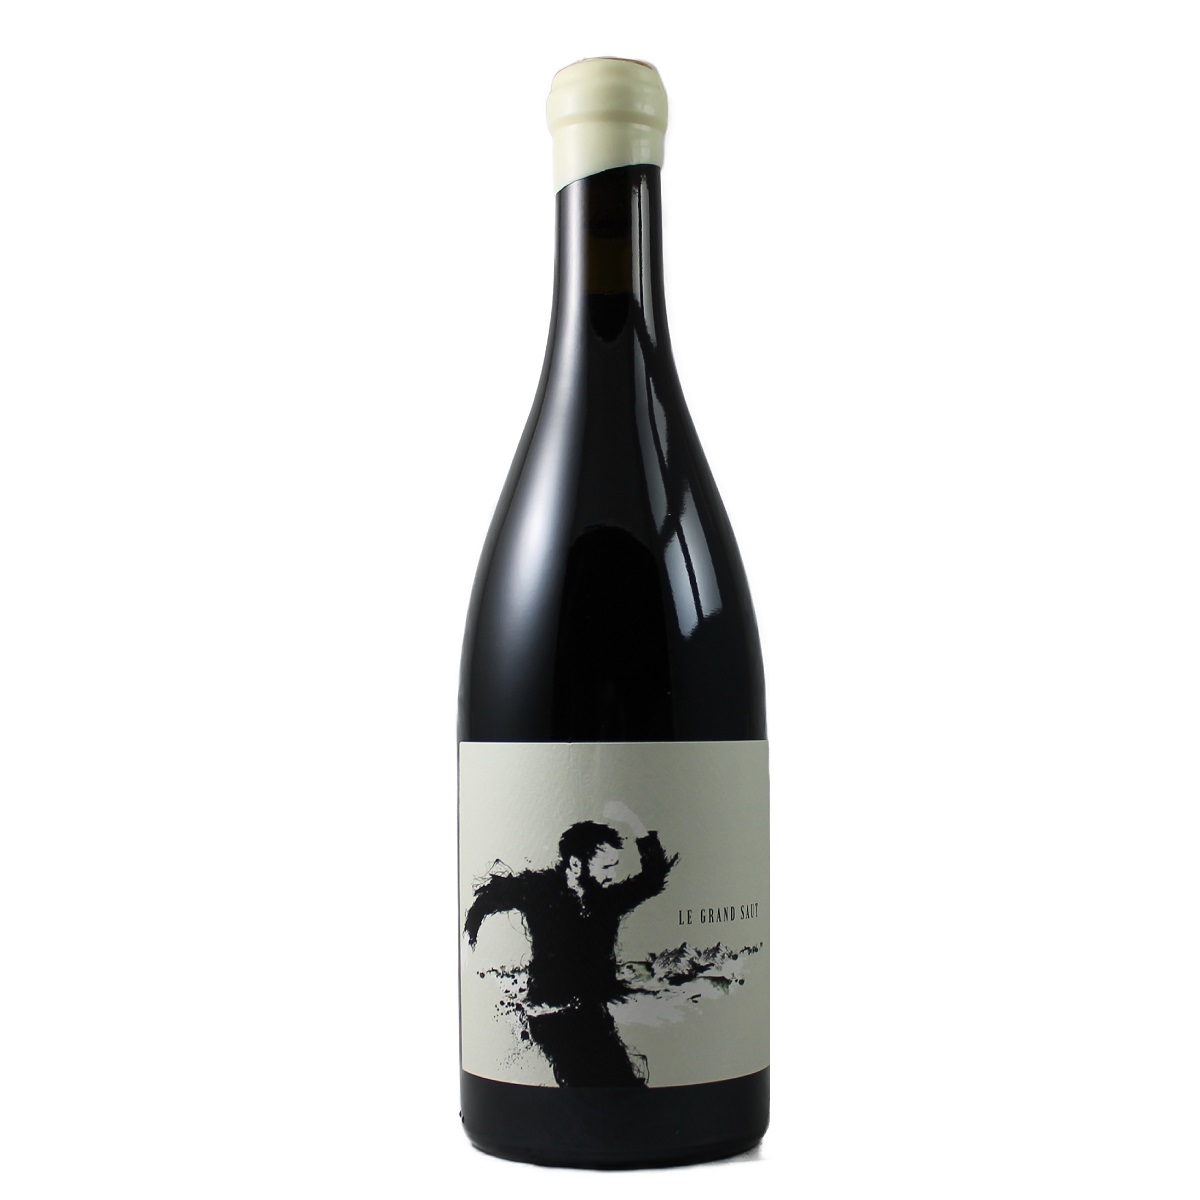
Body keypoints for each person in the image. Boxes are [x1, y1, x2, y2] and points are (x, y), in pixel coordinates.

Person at [463, 802, 678, 1086]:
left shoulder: (606, 900)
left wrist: (635, 823)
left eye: (615, 866)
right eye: (606, 866)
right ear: (576, 864)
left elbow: (653, 879)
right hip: (551, 1016)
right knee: (590, 1085)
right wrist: (469, 942)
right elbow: (488, 899)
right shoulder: (539, 890)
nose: (612, 875)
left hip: (592, 1014)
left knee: (623, 1087)